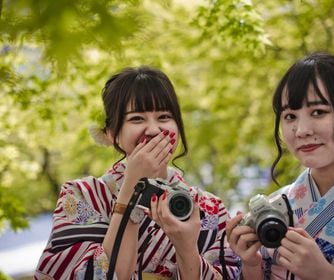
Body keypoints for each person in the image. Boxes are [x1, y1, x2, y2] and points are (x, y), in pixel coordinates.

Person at [35, 66, 240, 280]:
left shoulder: (209, 209)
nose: (153, 130)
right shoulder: (81, 196)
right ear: (113, 134)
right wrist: (131, 191)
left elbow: (230, 272)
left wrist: (187, 249)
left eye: (164, 117)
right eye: (137, 119)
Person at [226, 52, 334, 279]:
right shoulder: (278, 203)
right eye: (290, 116)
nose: (302, 130)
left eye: (318, 112)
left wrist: (324, 274)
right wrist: (251, 265)